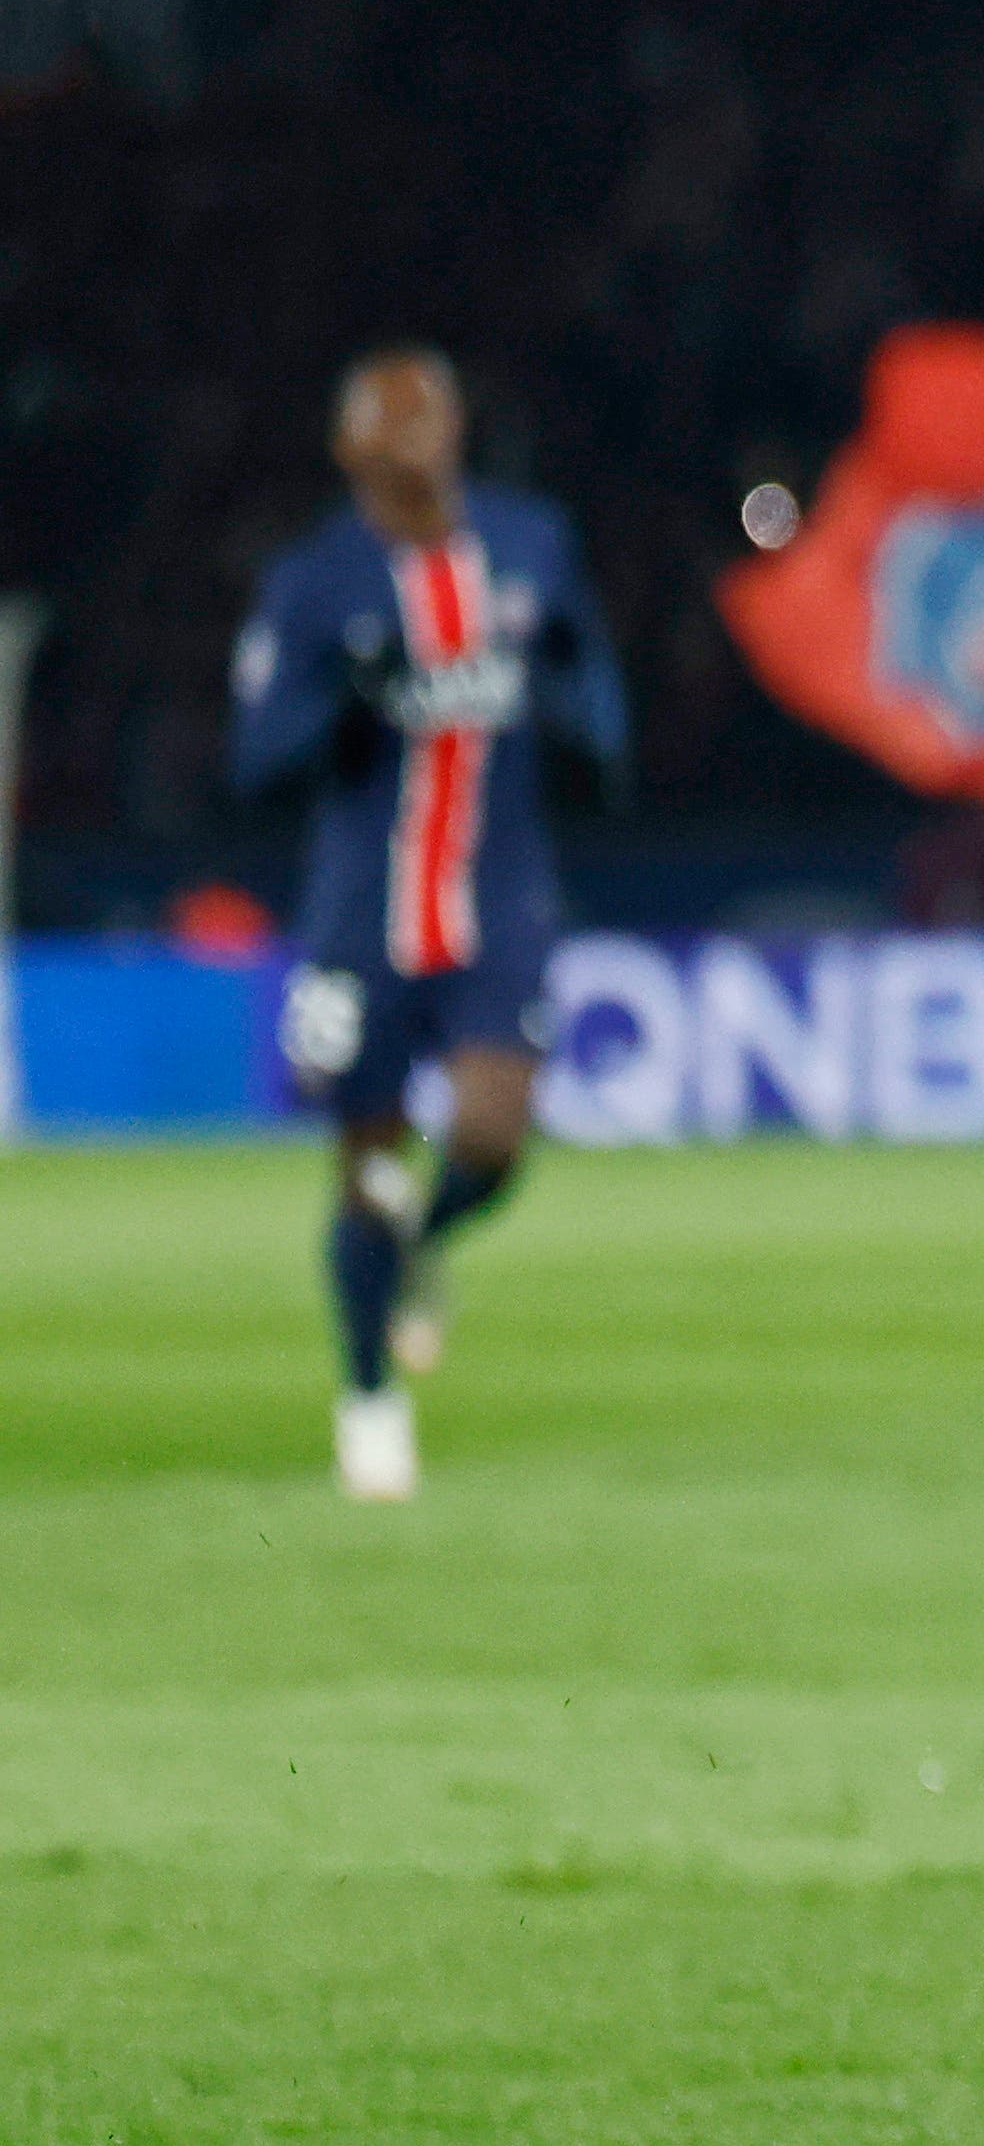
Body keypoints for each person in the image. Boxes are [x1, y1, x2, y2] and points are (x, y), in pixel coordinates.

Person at [232, 347, 626, 1501]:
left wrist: (592, 727)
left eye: (434, 419)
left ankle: (415, 1247)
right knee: (364, 1164)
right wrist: (344, 704)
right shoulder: (315, 582)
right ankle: (367, 1398)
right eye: (395, 429)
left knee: (496, 1138)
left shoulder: (528, 544)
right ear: (354, 452)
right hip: (363, 912)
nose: (421, 445)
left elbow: (584, 670)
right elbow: (254, 757)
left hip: (499, 897)